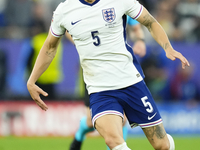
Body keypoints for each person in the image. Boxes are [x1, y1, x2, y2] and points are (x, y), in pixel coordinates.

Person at [27, 0, 190, 150]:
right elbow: (49, 47)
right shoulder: (64, 10)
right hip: (100, 90)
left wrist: (167, 47)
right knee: (113, 141)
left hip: (131, 83)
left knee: (162, 145)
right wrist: (32, 80)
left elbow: (149, 21)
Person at [68, 16, 146, 150]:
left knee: (122, 119)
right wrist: (80, 43)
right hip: (93, 69)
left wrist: (140, 41)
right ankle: (80, 134)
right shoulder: (88, 6)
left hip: (119, 68)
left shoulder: (122, 4)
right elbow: (67, 27)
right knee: (91, 121)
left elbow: (136, 28)